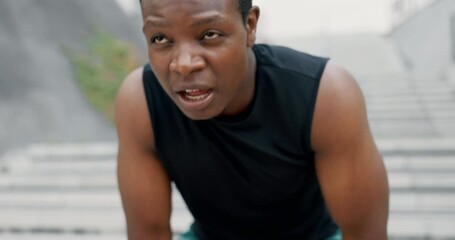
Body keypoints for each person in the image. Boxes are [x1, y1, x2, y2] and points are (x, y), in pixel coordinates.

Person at [115, 0, 389, 239]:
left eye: (209, 34)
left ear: (249, 26)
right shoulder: (140, 101)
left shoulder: (325, 94)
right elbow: (148, 234)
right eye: (161, 38)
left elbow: (365, 234)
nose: (184, 64)